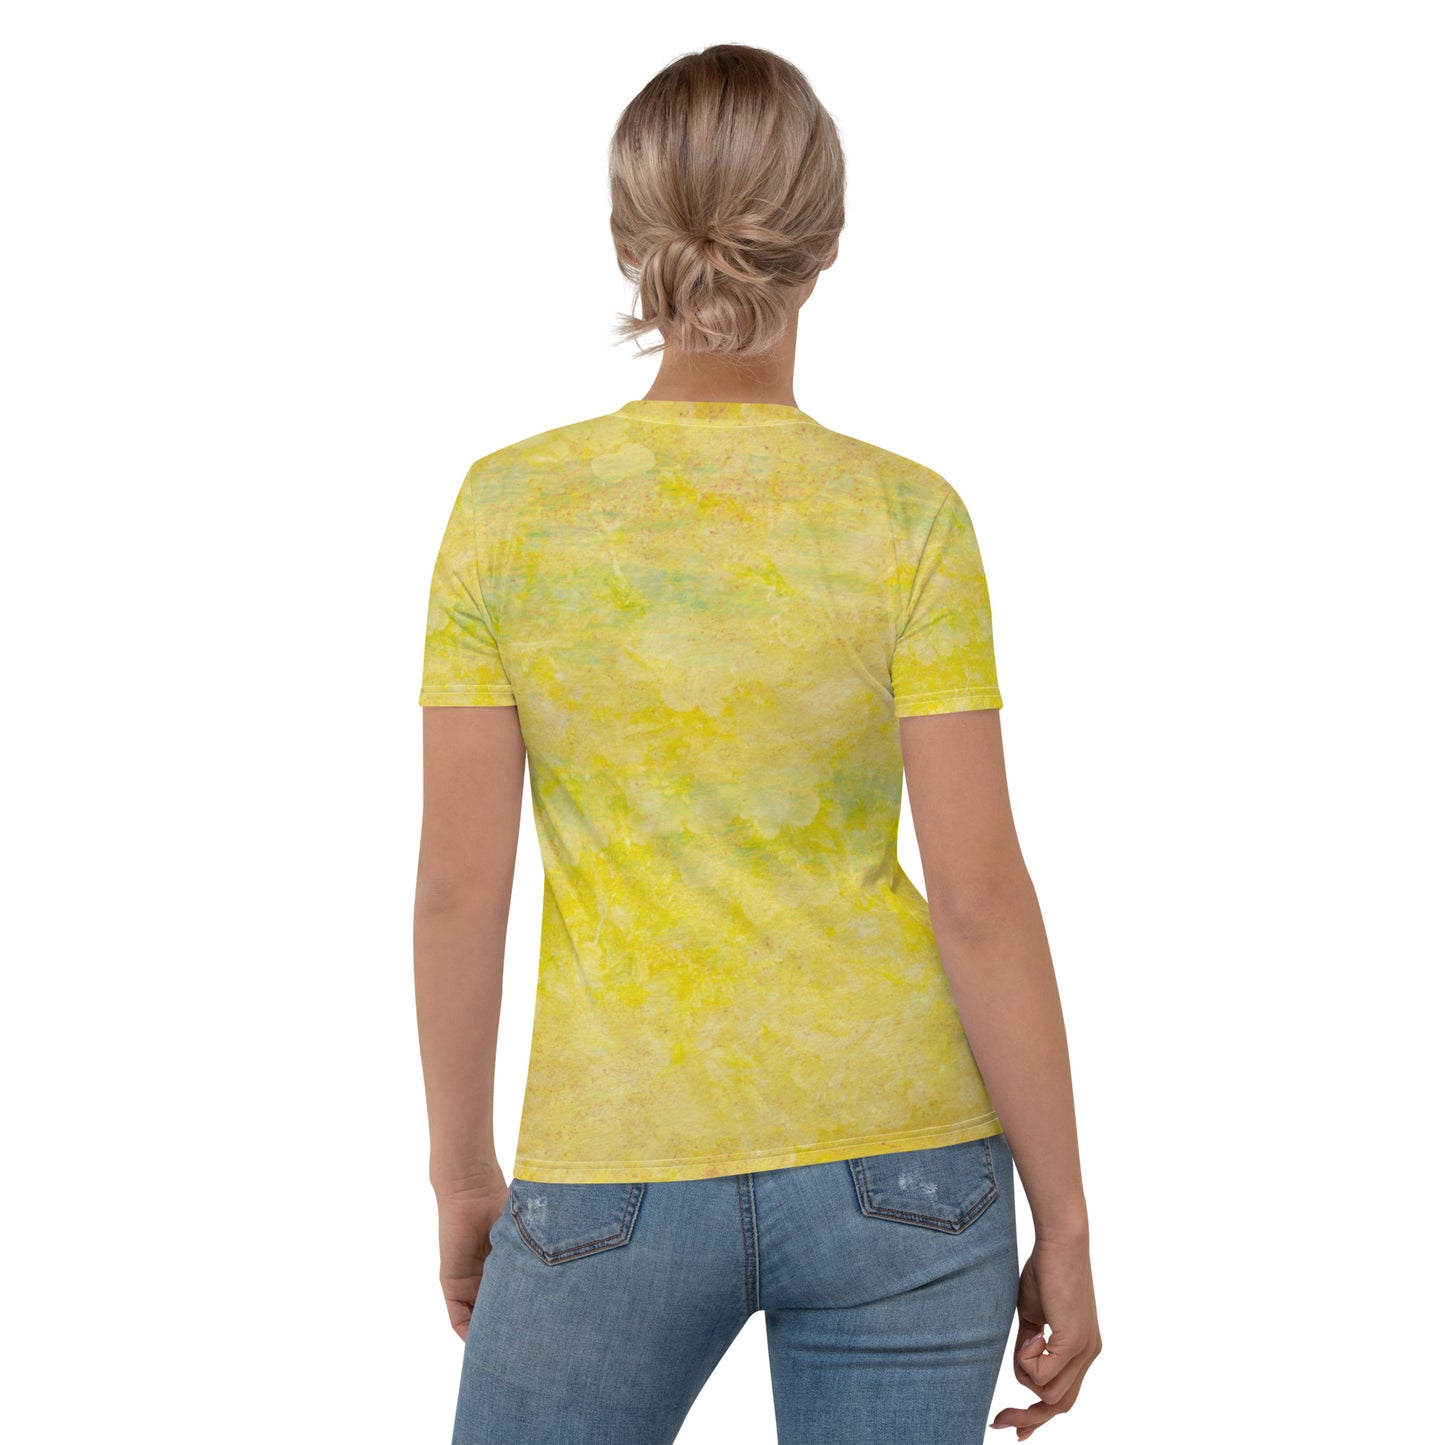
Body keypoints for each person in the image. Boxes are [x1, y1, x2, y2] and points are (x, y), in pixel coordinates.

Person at [413, 42, 1100, 1445]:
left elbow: (459, 890)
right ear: (824, 241)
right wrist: (1067, 1214)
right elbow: (975, 894)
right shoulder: (905, 519)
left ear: (630, 239)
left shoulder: (510, 511)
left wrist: (462, 1174)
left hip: (612, 1155)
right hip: (907, 1166)